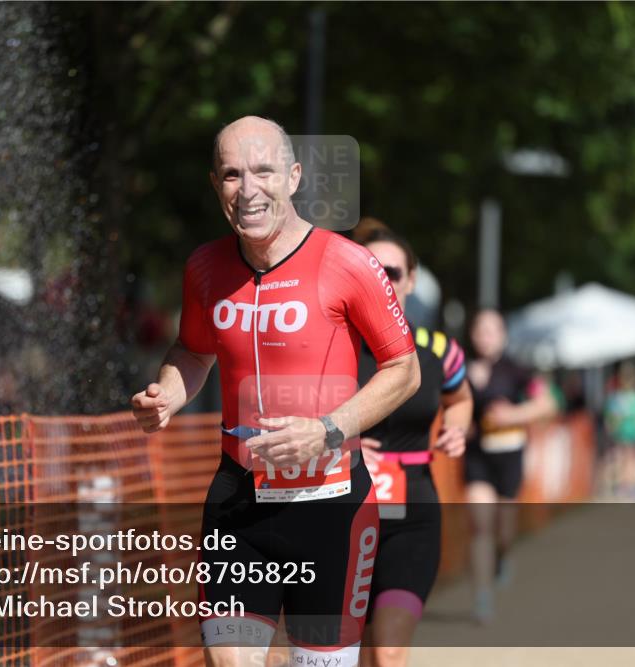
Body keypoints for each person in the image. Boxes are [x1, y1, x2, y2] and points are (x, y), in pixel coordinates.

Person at [131, 116, 420, 667]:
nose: (249, 190)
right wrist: (168, 393)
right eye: (232, 175)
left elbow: (404, 370)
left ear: (292, 177)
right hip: (238, 503)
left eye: (262, 171)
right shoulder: (205, 268)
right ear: (216, 185)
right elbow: (193, 352)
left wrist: (327, 429)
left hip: (330, 509)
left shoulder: (347, 262)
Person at [353, 224, 472, 667]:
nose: (383, 280)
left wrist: (457, 427)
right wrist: (342, 445)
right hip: (337, 517)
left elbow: (459, 397)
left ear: (412, 279)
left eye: (392, 271)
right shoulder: (333, 349)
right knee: (352, 653)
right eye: (371, 270)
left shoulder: (438, 350)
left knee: (388, 650)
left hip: (412, 517)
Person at [463, 309, 556, 623]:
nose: (485, 337)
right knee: (481, 525)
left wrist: (512, 416)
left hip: (509, 457)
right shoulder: (459, 368)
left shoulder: (518, 370)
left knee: (503, 527)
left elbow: (547, 404)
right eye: (480, 330)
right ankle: (482, 596)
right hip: (476, 457)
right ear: (472, 334)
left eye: (492, 330)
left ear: (503, 335)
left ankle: (503, 555)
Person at [603, 361, 635, 496]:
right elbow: (611, 418)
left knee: (630, 459)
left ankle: (629, 486)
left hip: (634, 434)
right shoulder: (616, 397)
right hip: (621, 434)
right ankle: (623, 485)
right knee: (621, 459)